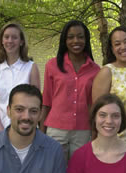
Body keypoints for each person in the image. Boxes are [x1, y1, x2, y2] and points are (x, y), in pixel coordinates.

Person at [40, 20, 100, 161]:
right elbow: (46, 100)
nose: (76, 41)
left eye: (80, 36)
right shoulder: (52, 65)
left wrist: (94, 133)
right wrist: (41, 132)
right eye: (70, 37)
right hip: (56, 129)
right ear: (64, 40)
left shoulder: (95, 70)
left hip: (83, 130)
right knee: (54, 171)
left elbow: (93, 105)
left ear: (86, 39)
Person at [92, 26, 126, 149]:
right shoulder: (107, 72)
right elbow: (97, 113)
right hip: (115, 144)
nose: (123, 47)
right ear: (112, 49)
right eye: (117, 44)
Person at [0, 22, 41, 134]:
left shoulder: (31, 67)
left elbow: (36, 102)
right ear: (2, 41)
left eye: (15, 37)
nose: (10, 41)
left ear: (21, 42)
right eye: (6, 37)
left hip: (25, 128)